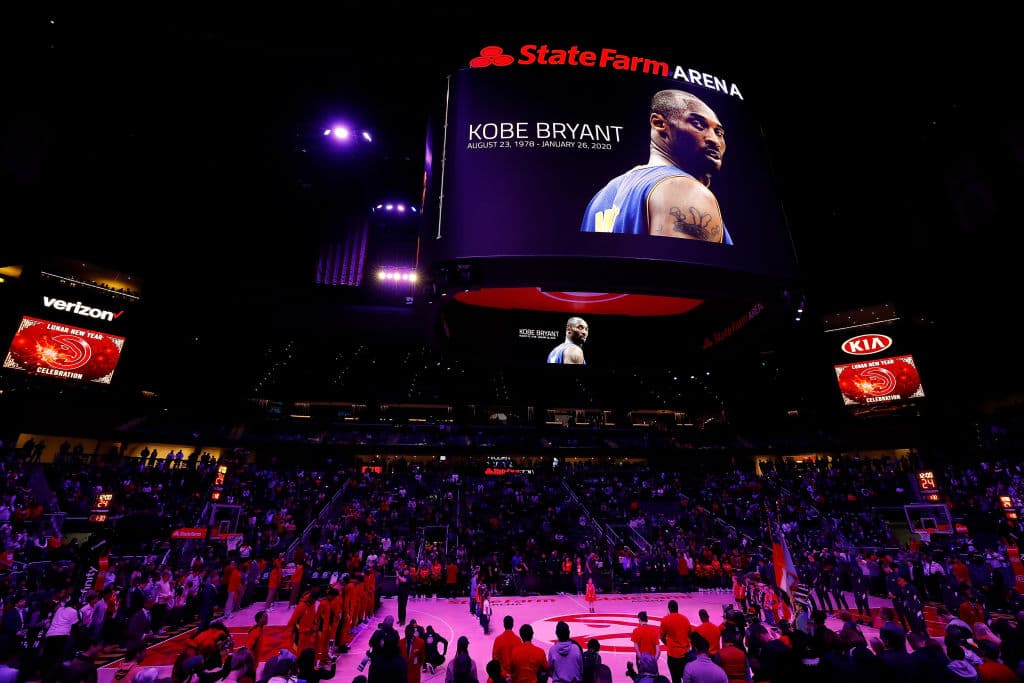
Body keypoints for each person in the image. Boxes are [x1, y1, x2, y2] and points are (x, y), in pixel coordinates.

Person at [581, 89, 732, 245]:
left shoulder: (599, 199)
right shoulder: (683, 189)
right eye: (698, 124)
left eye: (719, 132)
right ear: (659, 123)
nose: (715, 140)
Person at [659, 600, 692, 683]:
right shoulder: (685, 619)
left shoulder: (665, 620)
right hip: (684, 654)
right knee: (687, 679)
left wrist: (667, 644)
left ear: (669, 609)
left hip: (672, 654)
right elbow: (690, 635)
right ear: (677, 608)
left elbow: (662, 637)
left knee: (675, 679)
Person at [492, 615, 522, 681]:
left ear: (504, 625)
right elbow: (521, 659)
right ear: (512, 625)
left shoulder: (498, 640)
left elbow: (494, 659)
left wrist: (504, 674)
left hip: (502, 677)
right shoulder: (518, 640)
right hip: (515, 677)